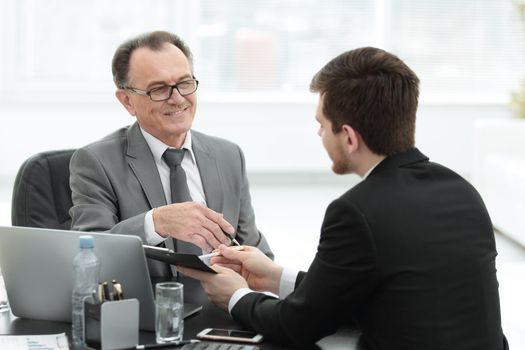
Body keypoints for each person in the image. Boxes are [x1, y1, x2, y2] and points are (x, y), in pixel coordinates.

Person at [178, 47, 508, 349]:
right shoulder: (463, 191)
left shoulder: (356, 211)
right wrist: (276, 277)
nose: (319, 133)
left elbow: (298, 326)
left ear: (348, 137)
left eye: (322, 125)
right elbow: (377, 294)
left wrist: (235, 295)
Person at [69, 31, 273, 277]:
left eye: (185, 83)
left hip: (225, 306)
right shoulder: (96, 162)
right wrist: (156, 222)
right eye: (159, 88)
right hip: (148, 308)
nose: (177, 99)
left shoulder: (228, 156)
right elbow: (88, 251)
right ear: (127, 101)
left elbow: (255, 251)